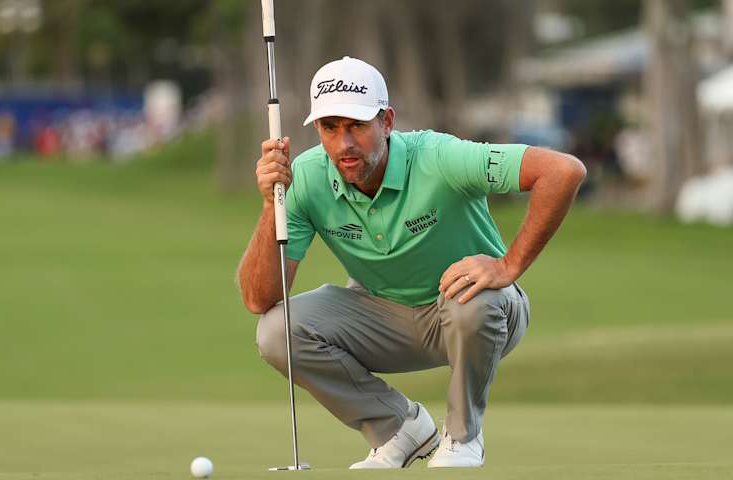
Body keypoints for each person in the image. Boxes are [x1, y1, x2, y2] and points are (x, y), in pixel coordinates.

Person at [237, 56, 586, 469]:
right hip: (385, 315)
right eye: (330, 128)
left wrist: (508, 266)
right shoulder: (306, 177)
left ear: (386, 121)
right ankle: (400, 429)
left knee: (470, 300)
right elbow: (260, 298)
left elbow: (563, 171)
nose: (344, 144)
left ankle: (462, 438)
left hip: (479, 312)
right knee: (276, 331)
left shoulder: (440, 157)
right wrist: (269, 205)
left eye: (357, 126)